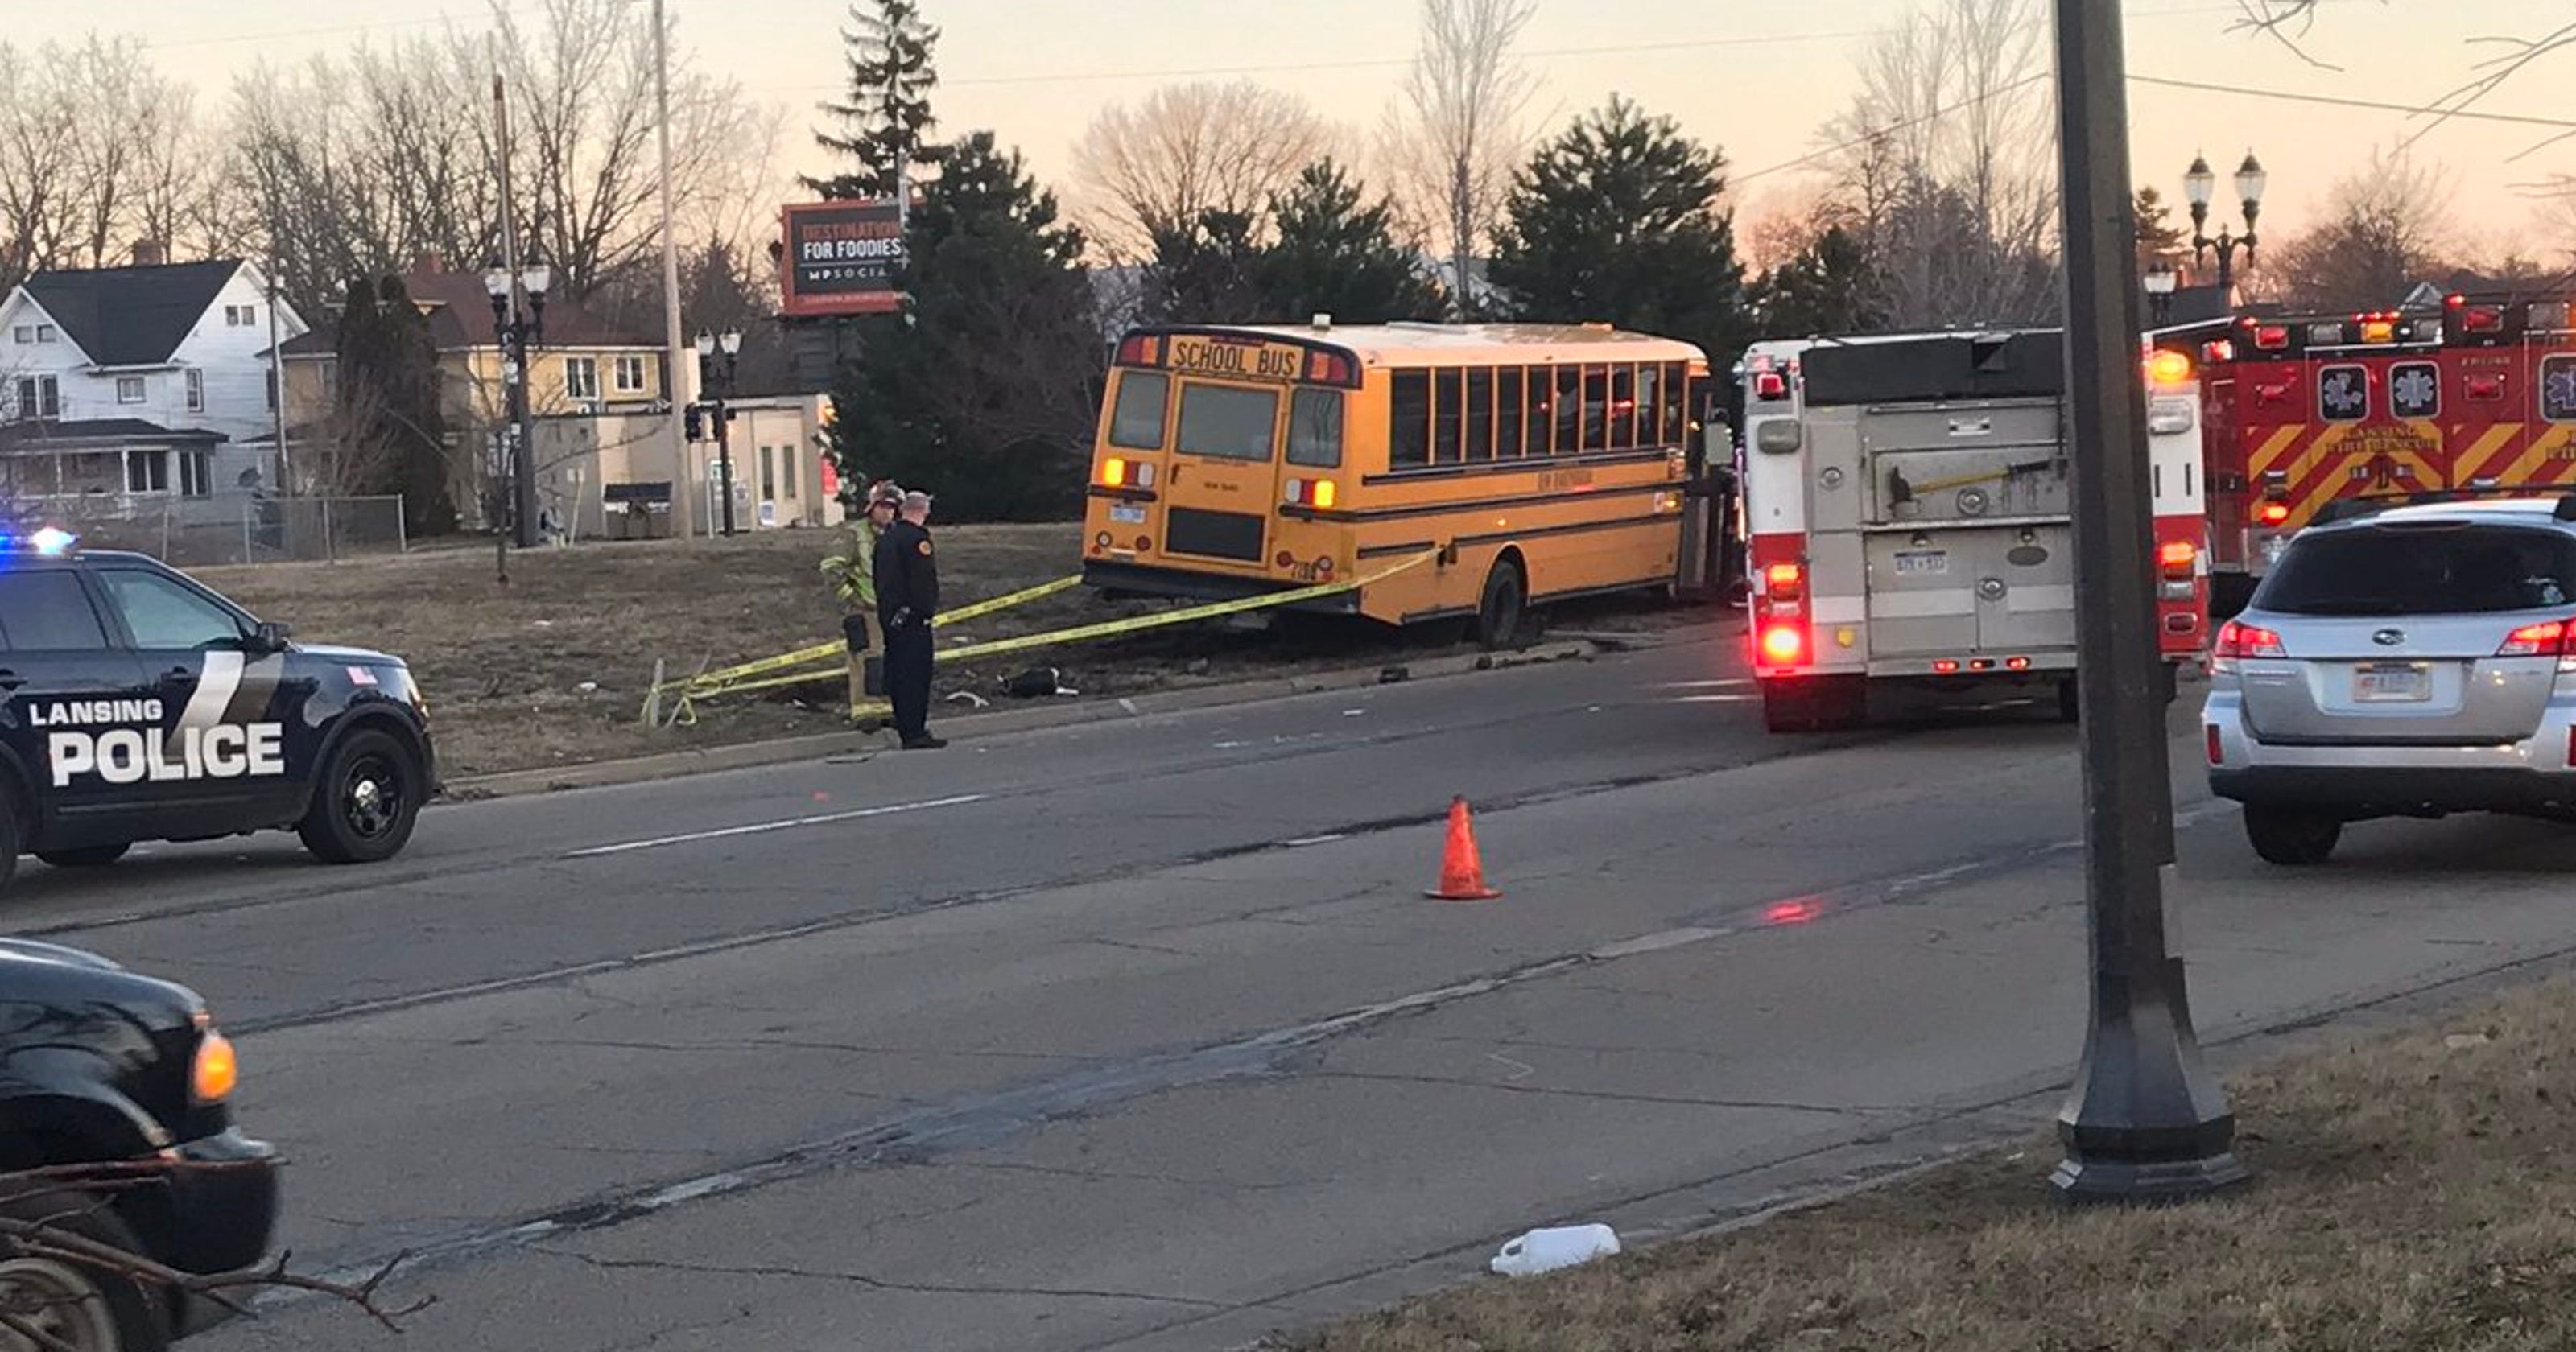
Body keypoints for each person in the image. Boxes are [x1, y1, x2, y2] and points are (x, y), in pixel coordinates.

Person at [873, 488, 944, 749]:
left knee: (898, 675)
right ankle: (915, 732)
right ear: (922, 510)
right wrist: (925, 611)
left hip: (891, 618)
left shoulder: (886, 539)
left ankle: (905, 725)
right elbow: (922, 582)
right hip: (913, 621)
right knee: (915, 676)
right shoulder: (916, 540)